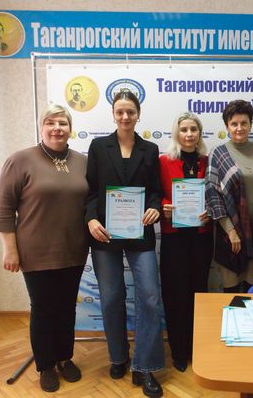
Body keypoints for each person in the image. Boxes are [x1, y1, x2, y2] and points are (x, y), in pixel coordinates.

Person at [0, 104, 88, 392]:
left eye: (62, 123)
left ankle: (64, 357)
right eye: (50, 122)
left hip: (74, 249)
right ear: (41, 127)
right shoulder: (20, 160)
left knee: (67, 307)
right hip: (36, 251)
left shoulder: (82, 162)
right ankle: (45, 364)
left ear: (70, 128)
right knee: (44, 308)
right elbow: (3, 208)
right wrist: (9, 249)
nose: (57, 128)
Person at [85, 91, 164, 398]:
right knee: (111, 298)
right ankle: (118, 357)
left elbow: (155, 191)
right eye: (120, 111)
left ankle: (145, 366)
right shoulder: (98, 146)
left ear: (138, 114)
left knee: (150, 297)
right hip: (104, 233)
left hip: (140, 232)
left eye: (130, 111)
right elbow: (90, 191)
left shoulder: (150, 149)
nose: (125, 117)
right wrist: (91, 219)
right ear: (113, 114)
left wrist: (155, 207)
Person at [159, 112, 213, 373]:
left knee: (198, 292)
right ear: (176, 133)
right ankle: (179, 351)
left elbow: (216, 195)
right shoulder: (163, 161)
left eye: (193, 129)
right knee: (175, 294)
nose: (189, 134)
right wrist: (163, 206)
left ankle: (197, 348)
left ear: (199, 133)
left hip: (201, 237)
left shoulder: (208, 161)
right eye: (184, 130)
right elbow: (155, 193)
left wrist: (210, 211)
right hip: (174, 237)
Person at [205, 99, 253, 293]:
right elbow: (212, 194)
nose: (239, 128)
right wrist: (230, 230)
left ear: (250, 124)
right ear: (227, 126)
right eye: (234, 123)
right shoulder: (218, 153)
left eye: (244, 123)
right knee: (233, 294)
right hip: (231, 236)